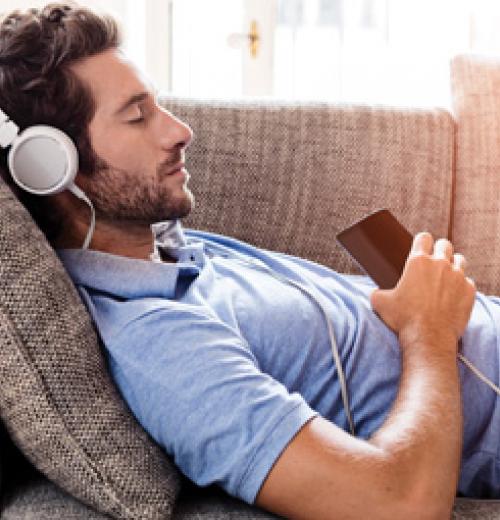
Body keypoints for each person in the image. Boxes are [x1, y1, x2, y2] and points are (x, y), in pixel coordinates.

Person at [0, 3, 496, 519]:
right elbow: (398, 507)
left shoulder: (171, 248)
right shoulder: (161, 346)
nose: (179, 131)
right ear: (52, 167)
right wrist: (429, 333)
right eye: (136, 116)